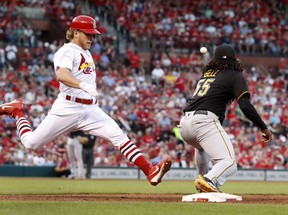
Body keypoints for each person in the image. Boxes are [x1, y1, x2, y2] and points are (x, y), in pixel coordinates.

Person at [0, 15, 171, 186]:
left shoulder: (86, 52)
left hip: (90, 110)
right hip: (68, 106)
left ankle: (149, 171)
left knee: (119, 136)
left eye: (93, 34)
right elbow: (61, 74)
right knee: (31, 143)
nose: (91, 38)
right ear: (75, 33)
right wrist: (81, 84)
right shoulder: (67, 51)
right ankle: (17, 111)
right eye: (87, 34)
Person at [178, 44, 272, 193]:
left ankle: (203, 183)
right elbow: (246, 106)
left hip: (184, 124)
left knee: (201, 149)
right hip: (203, 122)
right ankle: (208, 180)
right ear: (234, 60)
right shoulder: (234, 75)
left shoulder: (207, 74)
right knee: (229, 162)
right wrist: (263, 126)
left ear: (214, 60)